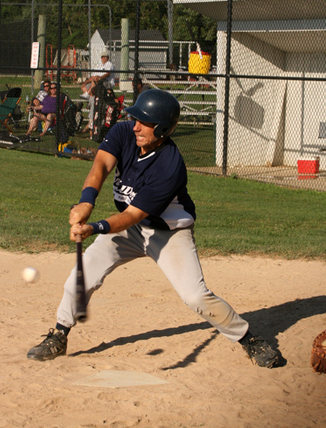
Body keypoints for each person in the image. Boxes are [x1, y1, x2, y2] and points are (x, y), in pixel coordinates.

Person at [27, 89, 280, 369]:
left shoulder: (170, 165)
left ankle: (248, 338)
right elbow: (101, 164)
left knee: (196, 296)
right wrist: (86, 201)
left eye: (144, 122)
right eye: (135, 118)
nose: (135, 125)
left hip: (168, 232)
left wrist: (94, 227)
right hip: (128, 228)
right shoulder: (124, 133)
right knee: (82, 274)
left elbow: (135, 215)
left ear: (161, 129)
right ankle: (60, 334)